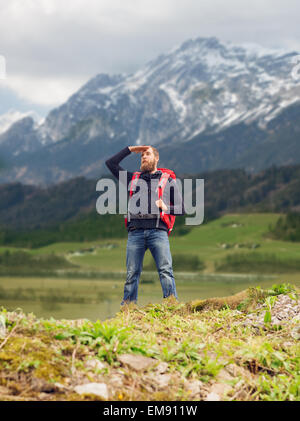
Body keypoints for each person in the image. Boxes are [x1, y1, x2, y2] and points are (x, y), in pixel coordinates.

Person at [105, 145, 185, 306]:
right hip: (135, 233)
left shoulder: (167, 180)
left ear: (156, 158)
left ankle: (171, 306)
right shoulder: (131, 179)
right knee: (132, 273)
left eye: (147, 154)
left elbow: (181, 209)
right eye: (141, 156)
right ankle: (128, 308)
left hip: (158, 232)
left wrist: (165, 207)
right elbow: (111, 163)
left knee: (165, 270)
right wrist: (130, 149)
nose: (143, 157)